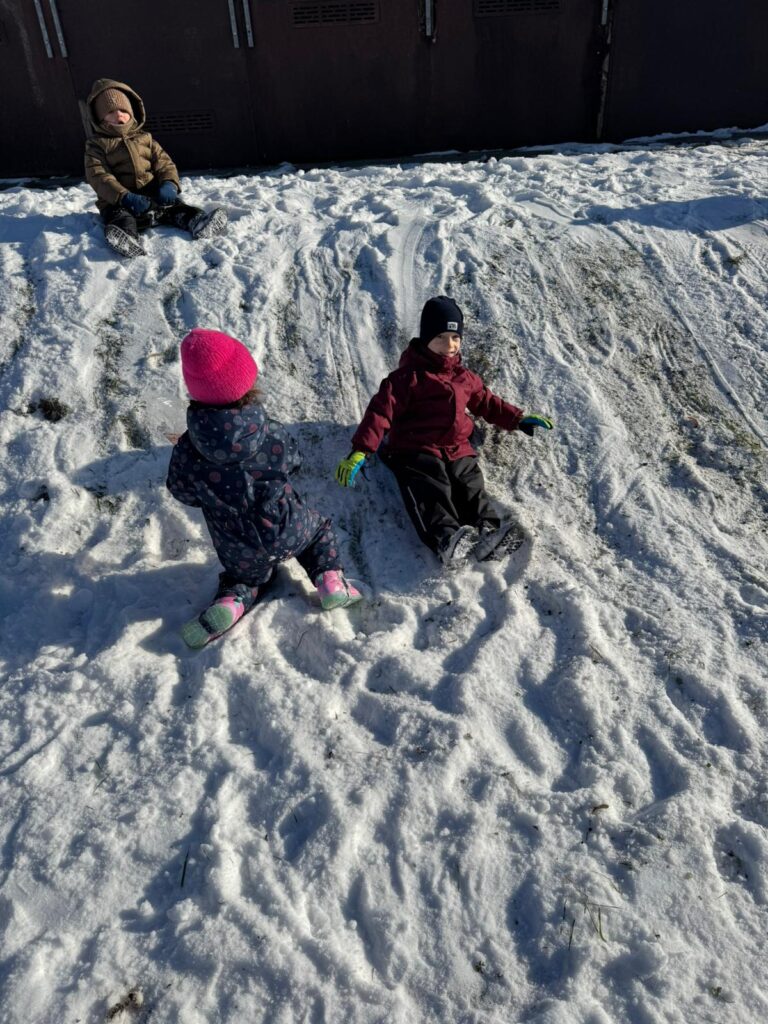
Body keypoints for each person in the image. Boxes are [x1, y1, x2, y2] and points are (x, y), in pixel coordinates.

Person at [167, 329, 363, 648]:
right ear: (245, 381)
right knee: (318, 535)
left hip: (237, 545)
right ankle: (329, 580)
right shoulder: (270, 433)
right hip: (288, 525)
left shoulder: (188, 451)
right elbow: (293, 460)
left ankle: (231, 604)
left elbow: (181, 491)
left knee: (243, 578)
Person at [335, 296, 553, 566]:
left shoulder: (465, 377)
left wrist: (517, 419)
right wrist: (361, 450)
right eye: (440, 337)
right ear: (425, 338)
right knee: (432, 487)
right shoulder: (406, 379)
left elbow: (487, 402)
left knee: (471, 485)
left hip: (457, 447)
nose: (449, 345)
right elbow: (380, 413)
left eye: (455, 338)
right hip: (417, 448)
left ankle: (489, 531)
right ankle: (447, 539)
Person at [84, 78, 227, 258]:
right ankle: (126, 238)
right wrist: (124, 197)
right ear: (100, 118)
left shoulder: (146, 139)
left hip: (152, 198)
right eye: (110, 112)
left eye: (123, 110)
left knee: (176, 207)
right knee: (121, 217)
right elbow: (98, 176)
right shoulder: (96, 146)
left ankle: (199, 222)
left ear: (132, 113)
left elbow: (164, 163)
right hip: (119, 202)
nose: (118, 114)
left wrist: (169, 184)